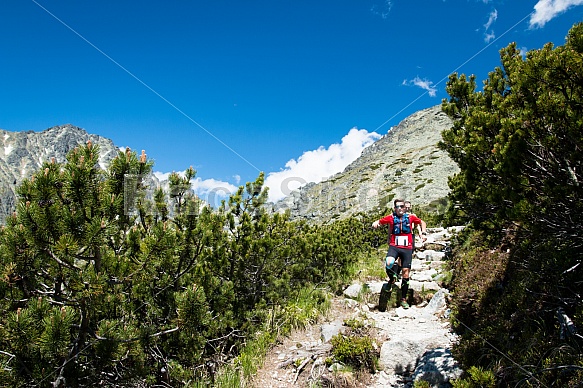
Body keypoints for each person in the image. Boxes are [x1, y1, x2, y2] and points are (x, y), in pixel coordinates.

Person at [372, 199, 427, 309]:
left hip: (407, 248)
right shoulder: (391, 217)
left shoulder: (410, 217)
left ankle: (403, 299)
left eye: (402, 206)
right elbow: (380, 221)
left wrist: (423, 234)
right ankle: (392, 279)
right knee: (389, 263)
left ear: (405, 207)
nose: (400, 208)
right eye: (398, 206)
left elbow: (422, 222)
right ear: (395, 208)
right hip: (395, 246)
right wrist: (376, 223)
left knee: (406, 273)